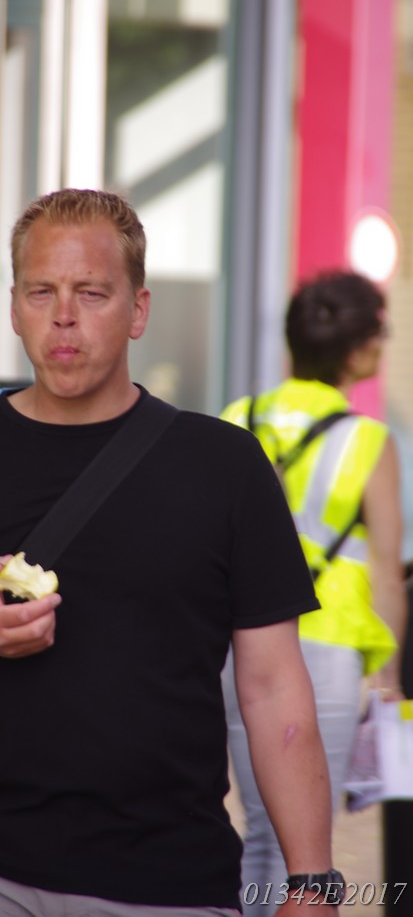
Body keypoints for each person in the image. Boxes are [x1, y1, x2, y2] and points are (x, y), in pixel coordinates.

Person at [0, 188, 343, 917]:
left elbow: (273, 689)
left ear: (138, 310)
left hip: (170, 881)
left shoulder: (225, 467)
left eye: (91, 293)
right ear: (15, 308)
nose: (63, 316)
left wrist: (313, 879)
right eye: (41, 292)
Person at [220, 271, 407, 917]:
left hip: (237, 649)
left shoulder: (237, 419)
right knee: (305, 847)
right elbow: (386, 573)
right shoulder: (368, 441)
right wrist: (388, 680)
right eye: (378, 333)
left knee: (257, 831)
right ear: (355, 351)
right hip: (325, 654)